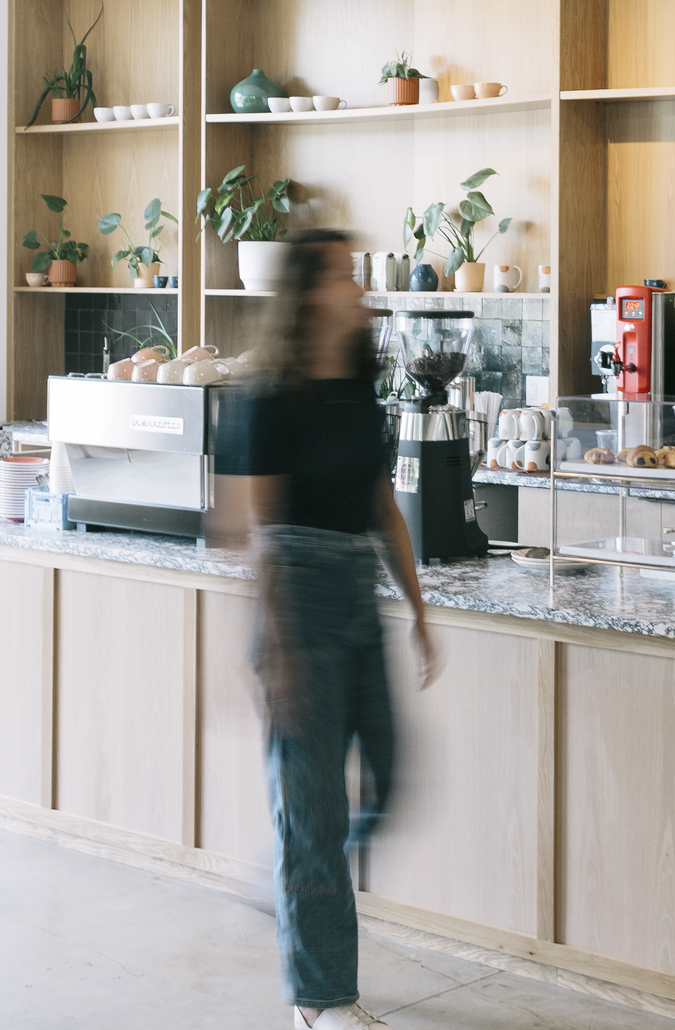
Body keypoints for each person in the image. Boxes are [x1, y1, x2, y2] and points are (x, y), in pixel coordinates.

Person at [244, 230, 438, 1029]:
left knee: (389, 780)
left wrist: (420, 609)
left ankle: (296, 868)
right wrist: (279, 651)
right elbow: (261, 535)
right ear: (308, 295)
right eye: (345, 277)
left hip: (358, 593)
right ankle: (322, 1000)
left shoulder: (358, 382)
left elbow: (381, 502)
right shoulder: (269, 397)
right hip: (298, 600)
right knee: (319, 813)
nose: (360, 290)